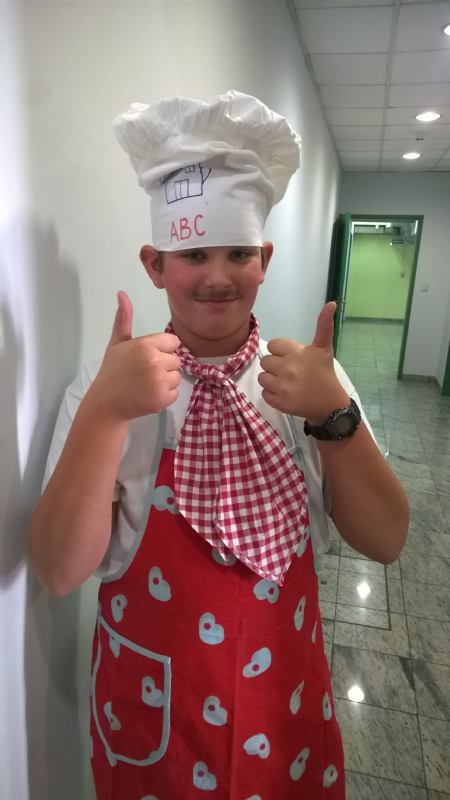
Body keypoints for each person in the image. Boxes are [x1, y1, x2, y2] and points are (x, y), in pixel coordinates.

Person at [28, 91, 409, 800]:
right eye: (192, 253)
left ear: (265, 259)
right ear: (154, 263)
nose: (216, 275)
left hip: (283, 711)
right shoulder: (107, 389)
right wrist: (106, 412)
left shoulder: (307, 384)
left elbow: (387, 539)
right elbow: (56, 570)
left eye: (239, 253)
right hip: (155, 729)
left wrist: (334, 414)